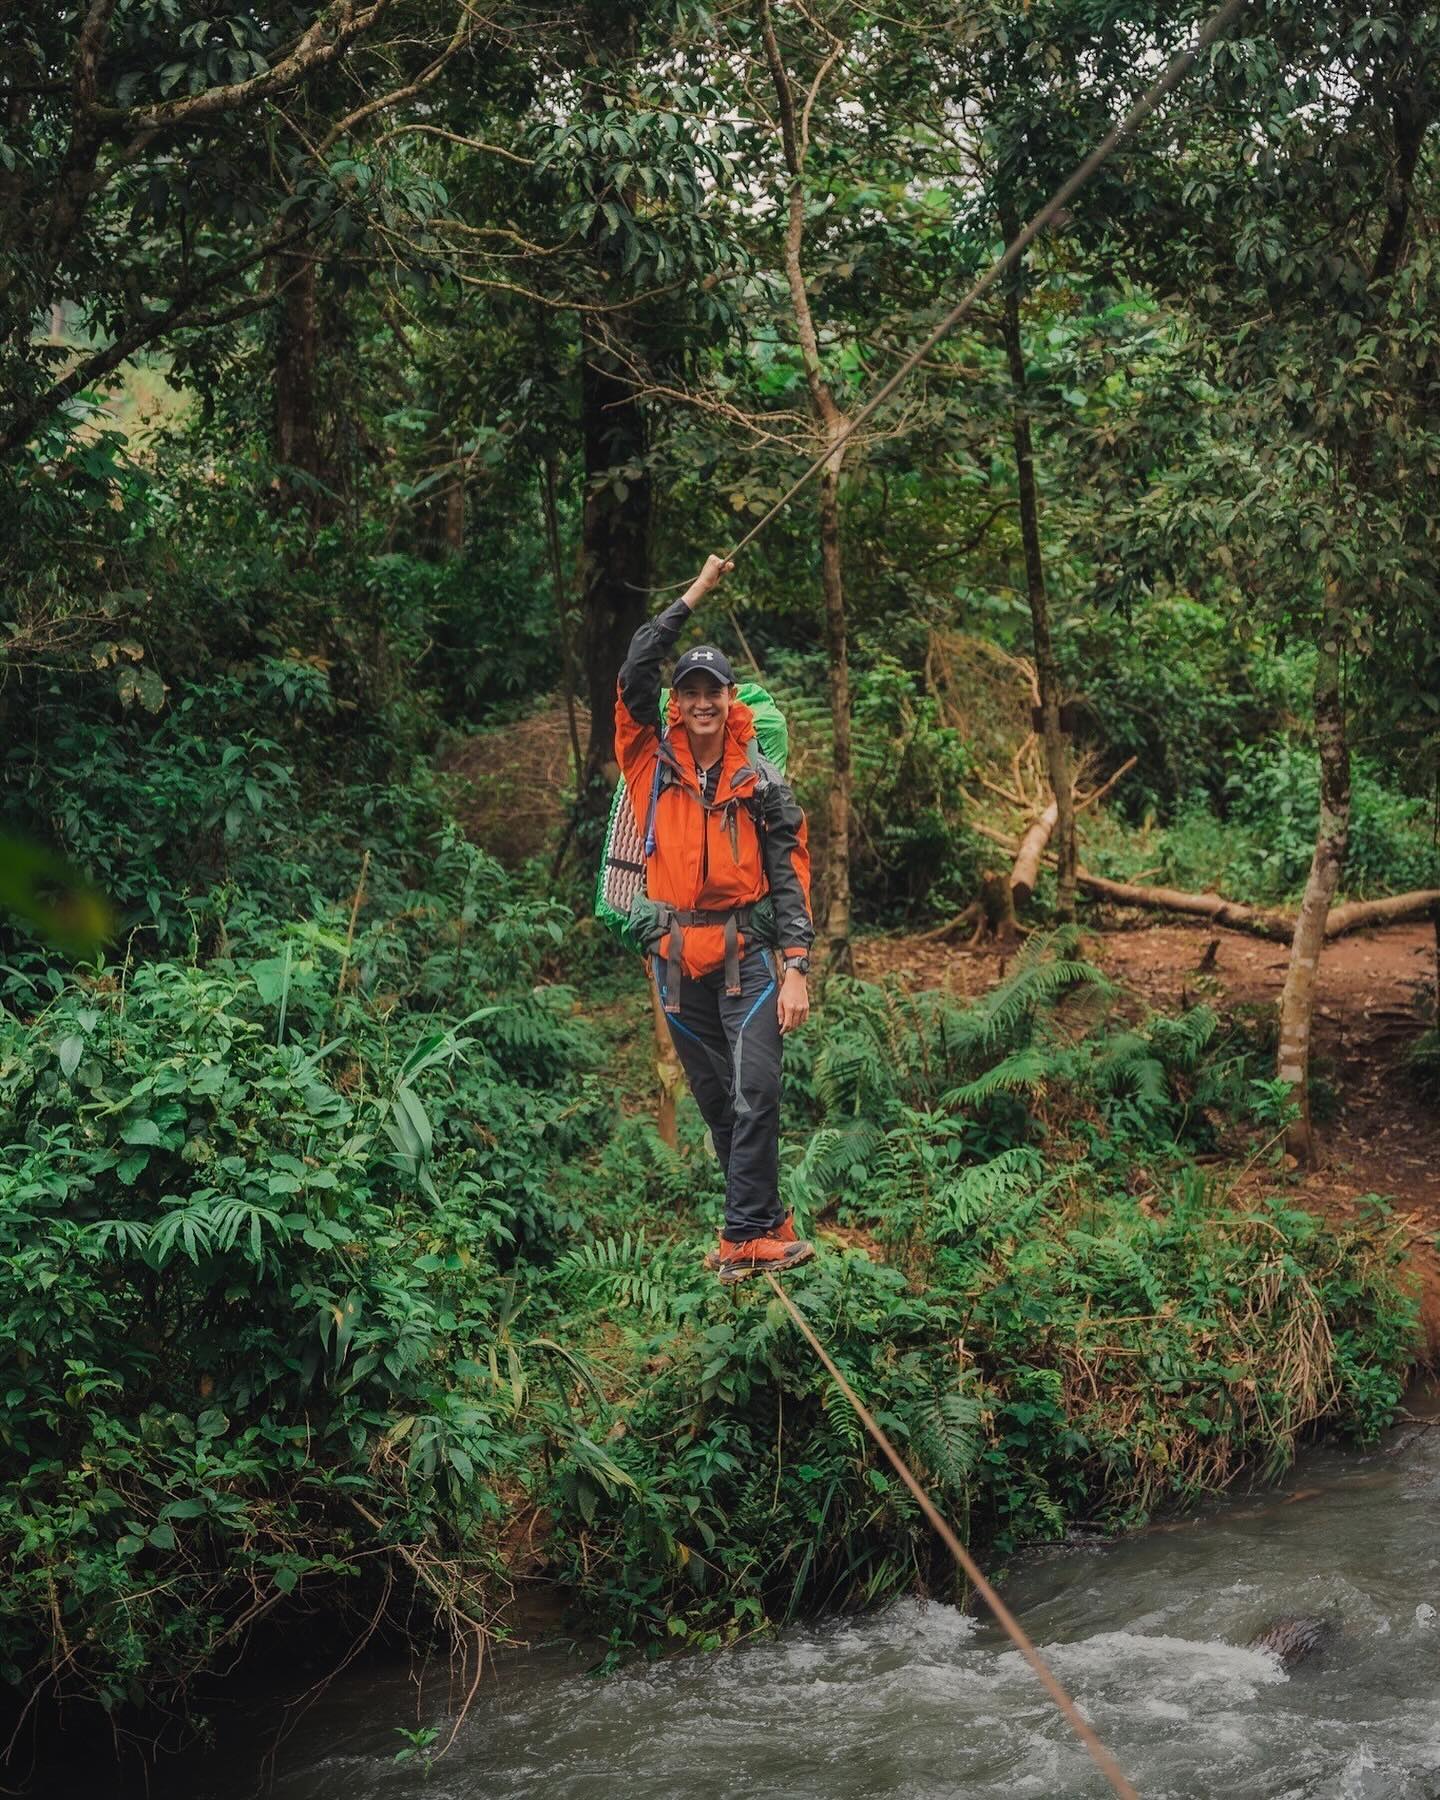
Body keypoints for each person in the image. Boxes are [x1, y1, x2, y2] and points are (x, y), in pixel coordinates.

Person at [614, 554, 817, 1284]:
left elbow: (791, 872)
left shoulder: (758, 776)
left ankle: (740, 1241)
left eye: (713, 691)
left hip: (748, 958)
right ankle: (764, 1219)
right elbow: (637, 663)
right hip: (676, 964)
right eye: (689, 690)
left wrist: (797, 967)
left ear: (732, 700)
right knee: (718, 1106)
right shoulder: (646, 757)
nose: (701, 702)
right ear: (677, 701)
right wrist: (697, 591)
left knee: (756, 1089)